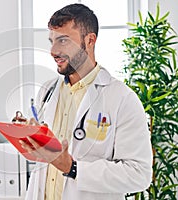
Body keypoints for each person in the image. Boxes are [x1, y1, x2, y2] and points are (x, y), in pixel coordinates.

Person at [19, 3, 153, 200]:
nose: (53, 51)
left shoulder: (122, 98)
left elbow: (139, 175)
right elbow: (44, 159)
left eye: (63, 41)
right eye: (52, 41)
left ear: (90, 40)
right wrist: (30, 138)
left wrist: (73, 168)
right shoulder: (47, 91)